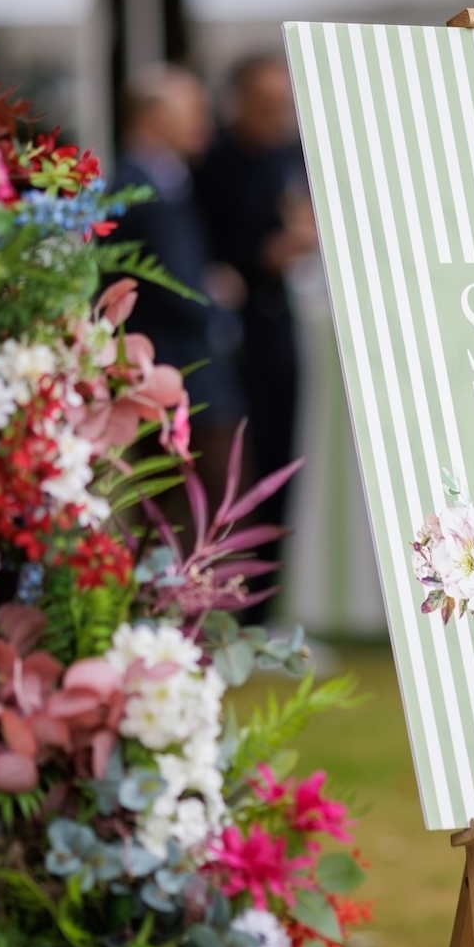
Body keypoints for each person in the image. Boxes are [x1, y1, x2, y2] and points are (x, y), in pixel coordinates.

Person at [194, 54, 318, 607]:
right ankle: (222, 602)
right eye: (265, 104)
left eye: (283, 105)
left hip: (277, 332)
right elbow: (205, 254)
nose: (276, 116)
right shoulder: (212, 161)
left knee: (279, 467)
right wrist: (264, 255)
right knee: (228, 475)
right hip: (224, 343)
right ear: (239, 101)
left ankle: (266, 608)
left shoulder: (292, 157)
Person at [109, 64, 246, 499]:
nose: (205, 122)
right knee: (205, 510)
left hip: (182, 378)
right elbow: (177, 286)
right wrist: (218, 303)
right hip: (182, 380)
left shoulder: (163, 181)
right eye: (192, 111)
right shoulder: (140, 188)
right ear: (152, 117)